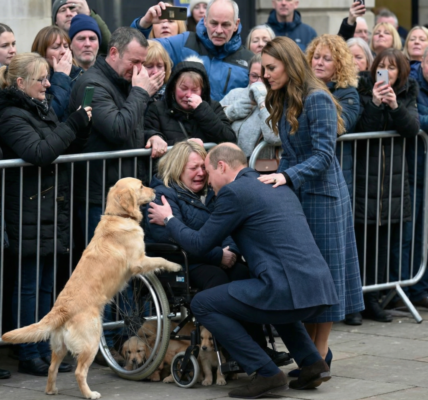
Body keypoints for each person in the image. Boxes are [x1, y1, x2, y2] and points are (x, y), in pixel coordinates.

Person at [148, 143, 339, 396]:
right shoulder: (273, 183)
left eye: (207, 170)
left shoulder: (234, 192)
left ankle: (266, 373)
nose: (206, 178)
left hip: (283, 287)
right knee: (273, 299)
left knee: (203, 304)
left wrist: (169, 219)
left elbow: (199, 243)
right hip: (318, 287)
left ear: (222, 166)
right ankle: (313, 364)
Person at [258, 36, 363, 367]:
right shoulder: (289, 98)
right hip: (301, 196)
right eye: (262, 68)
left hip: (325, 198)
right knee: (305, 275)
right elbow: (291, 154)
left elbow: (322, 155)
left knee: (326, 275)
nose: (265, 74)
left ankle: (319, 353)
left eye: (271, 68)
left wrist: (286, 178)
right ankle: (310, 352)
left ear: (289, 65)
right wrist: (279, 184)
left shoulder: (317, 97)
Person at [143, 141, 290, 367]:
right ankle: (235, 352)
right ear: (177, 167)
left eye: (204, 167)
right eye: (194, 168)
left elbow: (231, 225)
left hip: (215, 257)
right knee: (219, 282)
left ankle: (259, 350)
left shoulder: (212, 191)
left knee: (244, 275)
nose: (201, 173)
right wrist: (217, 255)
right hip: (181, 263)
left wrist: (231, 249)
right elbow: (167, 237)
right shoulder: (162, 195)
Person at [0, 53, 91, 376]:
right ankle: (28, 351)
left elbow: (60, 146)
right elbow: (38, 152)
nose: (48, 84)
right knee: (28, 284)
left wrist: (79, 128)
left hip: (49, 208)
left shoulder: (42, 107)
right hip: (27, 209)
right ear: (21, 83)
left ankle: (42, 349)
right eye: (42, 79)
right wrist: (71, 125)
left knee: (44, 286)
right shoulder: (11, 115)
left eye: (49, 78)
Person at [354, 48, 419, 322]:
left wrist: (394, 106)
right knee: (360, 242)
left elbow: (412, 129)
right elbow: (361, 128)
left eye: (393, 68)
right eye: (383, 67)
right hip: (364, 179)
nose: (387, 73)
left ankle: (373, 299)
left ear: (401, 72)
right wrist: (375, 103)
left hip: (391, 182)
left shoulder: (407, 92)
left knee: (383, 245)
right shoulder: (362, 88)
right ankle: (355, 302)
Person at [131, 0, 253, 101]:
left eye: (225, 25)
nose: (219, 30)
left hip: (226, 129)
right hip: (182, 128)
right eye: (214, 23)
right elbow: (135, 48)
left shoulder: (249, 61)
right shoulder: (184, 42)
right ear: (205, 20)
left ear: (236, 24)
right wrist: (145, 23)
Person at [389, 47, 428, 310]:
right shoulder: (412, 85)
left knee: (421, 235)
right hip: (409, 168)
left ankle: (419, 288)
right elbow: (415, 120)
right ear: (422, 62)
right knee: (406, 233)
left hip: (422, 169)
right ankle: (400, 288)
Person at [144, 56, 236, 146]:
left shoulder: (213, 108)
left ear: (202, 91)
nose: (188, 94)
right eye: (183, 88)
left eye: (195, 90)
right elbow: (147, 134)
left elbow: (229, 140)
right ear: (173, 88)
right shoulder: (157, 108)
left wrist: (202, 110)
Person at [220, 54, 281, 157]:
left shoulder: (279, 100)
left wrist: (262, 101)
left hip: (262, 167)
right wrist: (229, 113)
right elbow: (211, 122)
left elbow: (274, 138)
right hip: (230, 162)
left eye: (264, 77)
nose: (259, 82)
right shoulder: (235, 94)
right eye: (254, 76)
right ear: (248, 75)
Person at [31, 26, 82, 122]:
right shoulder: (33, 80)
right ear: (42, 53)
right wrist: (61, 76)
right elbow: (51, 113)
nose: (63, 51)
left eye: (66, 46)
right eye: (56, 47)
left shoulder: (79, 74)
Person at [266, 1, 365, 50]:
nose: (283, 3)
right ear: (273, 3)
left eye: (288, 0)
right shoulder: (263, 33)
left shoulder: (309, 33)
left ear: (296, 3)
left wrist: (350, 21)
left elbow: (336, 50)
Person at [144, 40, 173, 105]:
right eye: (149, 66)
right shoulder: (130, 92)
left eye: (159, 66)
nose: (155, 72)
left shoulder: (172, 93)